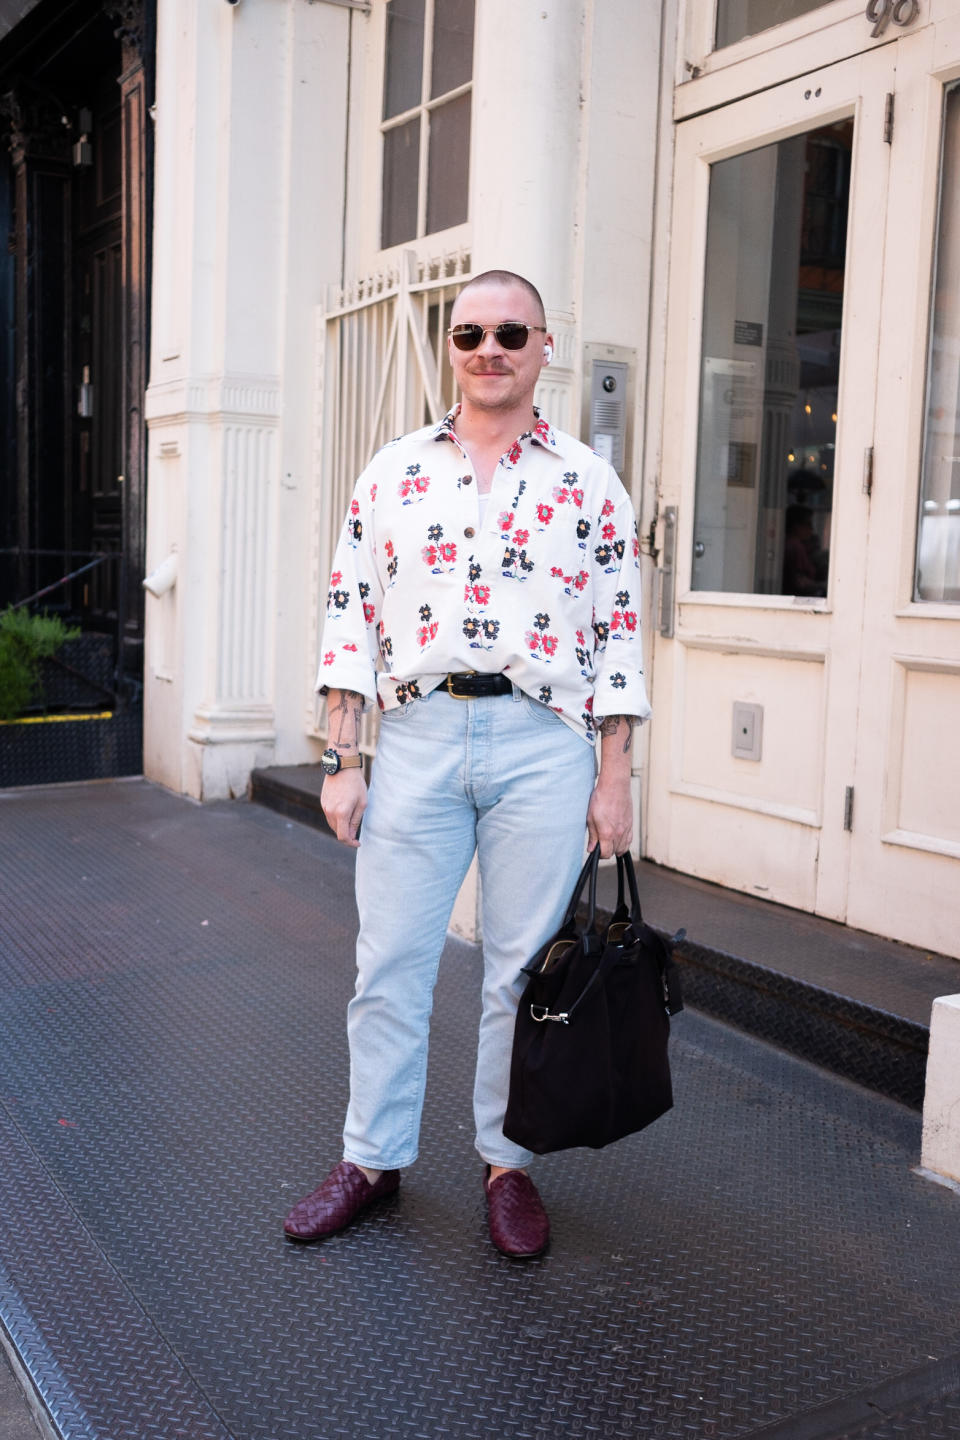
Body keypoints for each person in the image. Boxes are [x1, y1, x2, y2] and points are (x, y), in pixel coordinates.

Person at [284, 270, 651, 1258]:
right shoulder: (392, 473)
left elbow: (618, 636)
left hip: (542, 743)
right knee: (389, 963)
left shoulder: (587, 482)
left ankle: (508, 1163)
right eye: (470, 332)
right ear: (451, 345)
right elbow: (348, 620)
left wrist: (614, 778)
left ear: (544, 347)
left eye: (511, 333)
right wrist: (342, 754)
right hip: (417, 736)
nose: (490, 348)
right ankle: (371, 1157)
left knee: (519, 975)